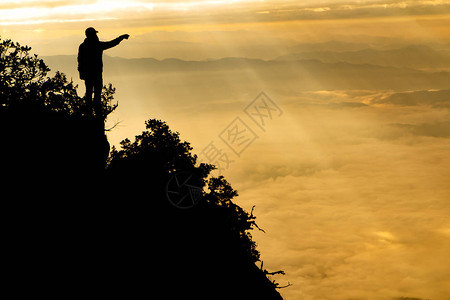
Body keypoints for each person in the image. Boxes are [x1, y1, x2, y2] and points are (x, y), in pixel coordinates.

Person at [78, 27, 129, 118]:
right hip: (96, 75)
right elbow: (112, 43)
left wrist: (82, 73)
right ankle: (96, 115)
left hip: (88, 75)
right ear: (92, 35)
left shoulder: (83, 46)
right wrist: (121, 37)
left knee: (89, 93)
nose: (96, 36)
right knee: (96, 95)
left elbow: (80, 61)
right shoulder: (97, 45)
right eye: (95, 34)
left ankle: (89, 114)